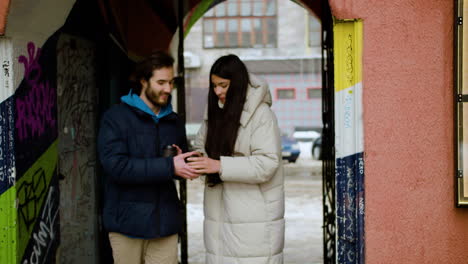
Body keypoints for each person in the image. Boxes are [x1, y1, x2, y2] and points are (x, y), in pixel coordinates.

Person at [97, 51, 199, 264]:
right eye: (161, 82)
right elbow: (116, 166)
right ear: (143, 81)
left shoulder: (173, 120)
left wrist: (187, 164)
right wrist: (169, 166)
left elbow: (178, 167)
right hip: (126, 223)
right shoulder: (115, 118)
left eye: (171, 82)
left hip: (166, 223)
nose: (168, 89)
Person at [187, 54, 285, 263]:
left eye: (223, 85)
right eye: (214, 85)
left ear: (238, 83)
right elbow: (201, 147)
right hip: (218, 214)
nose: (217, 92)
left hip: (253, 219)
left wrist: (219, 165)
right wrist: (193, 159)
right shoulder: (214, 111)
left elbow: (267, 163)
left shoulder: (261, 115)